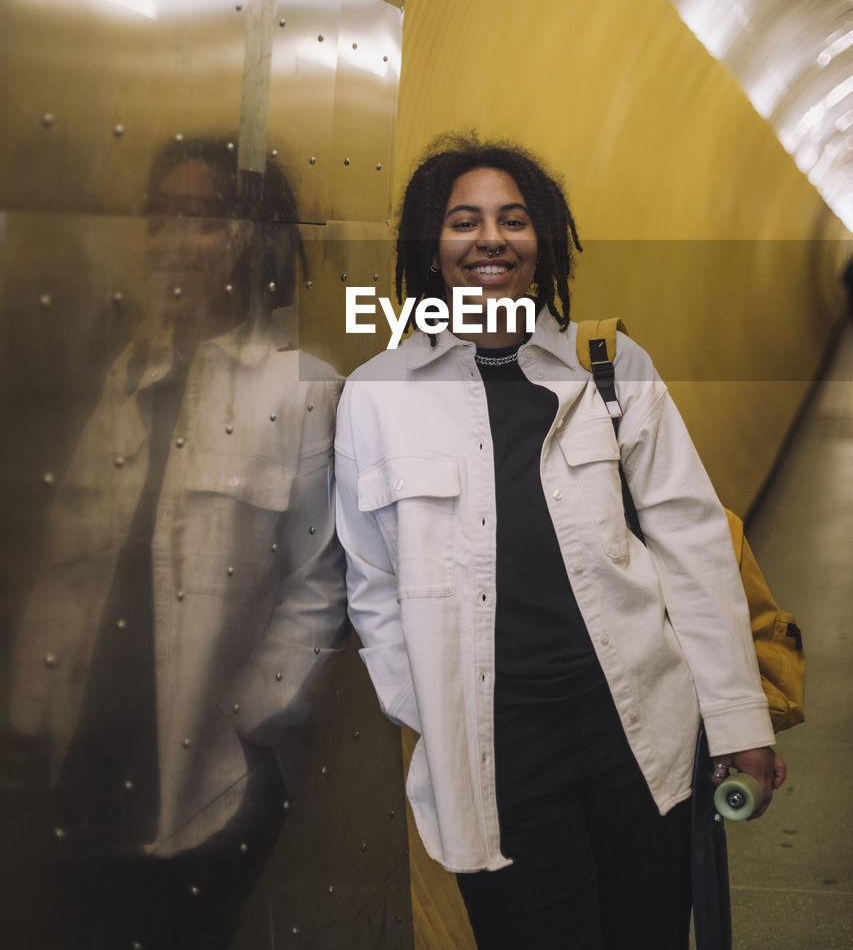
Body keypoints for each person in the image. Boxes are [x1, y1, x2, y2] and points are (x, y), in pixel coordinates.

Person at [334, 134, 786, 950]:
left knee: (647, 933)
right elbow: (370, 581)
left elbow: (692, 550)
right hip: (492, 751)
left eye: (512, 219)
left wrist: (736, 722)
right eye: (462, 221)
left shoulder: (607, 368)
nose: (489, 239)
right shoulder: (376, 396)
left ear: (541, 239)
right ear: (429, 250)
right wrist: (429, 706)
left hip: (635, 726)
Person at [8, 136, 349, 948]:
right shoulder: (125, 376)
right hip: (85, 750)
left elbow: (318, 583)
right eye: (157, 218)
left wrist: (247, 714)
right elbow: (71, 563)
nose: (168, 239)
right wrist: (27, 717)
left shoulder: (297, 390)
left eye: (196, 219)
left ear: (251, 239)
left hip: (208, 775)